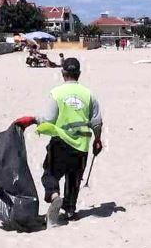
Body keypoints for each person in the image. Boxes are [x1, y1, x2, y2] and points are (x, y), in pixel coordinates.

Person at [14, 57, 103, 226]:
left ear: (63, 73)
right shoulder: (89, 94)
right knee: (74, 179)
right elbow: (97, 122)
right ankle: (69, 209)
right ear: (79, 74)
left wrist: (32, 120)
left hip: (61, 142)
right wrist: (97, 140)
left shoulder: (57, 93)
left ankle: (54, 195)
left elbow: (48, 118)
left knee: (50, 173)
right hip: (82, 144)